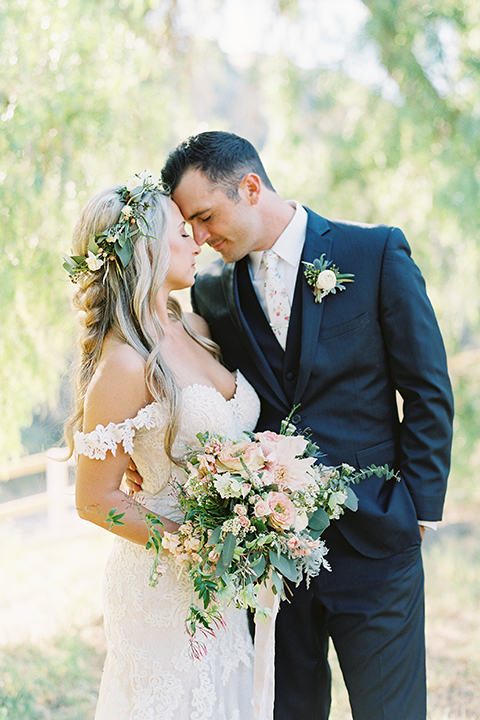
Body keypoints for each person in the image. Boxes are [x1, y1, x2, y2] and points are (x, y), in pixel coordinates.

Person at [153, 131, 454, 720]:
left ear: (250, 187)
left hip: (377, 541)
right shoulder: (214, 295)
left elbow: (426, 388)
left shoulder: (375, 254)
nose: (203, 238)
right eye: (190, 227)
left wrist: (418, 509)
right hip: (274, 563)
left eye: (207, 217)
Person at [64, 171, 258, 720]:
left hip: (221, 578)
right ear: (148, 248)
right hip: (163, 585)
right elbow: (94, 499)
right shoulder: (125, 364)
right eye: (181, 232)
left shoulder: (193, 325)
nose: (197, 240)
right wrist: (192, 544)